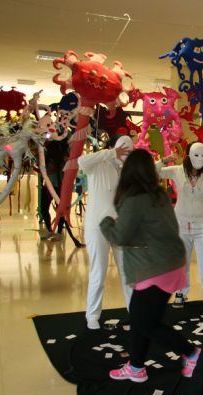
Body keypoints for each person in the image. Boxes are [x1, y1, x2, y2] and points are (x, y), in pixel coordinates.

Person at [99, 149, 200, 383]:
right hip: (170, 263)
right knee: (140, 319)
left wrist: (105, 223)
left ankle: (193, 354)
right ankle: (136, 367)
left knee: (146, 323)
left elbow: (120, 237)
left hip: (156, 268)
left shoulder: (134, 200)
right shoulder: (160, 195)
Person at [158, 142, 203, 307]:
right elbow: (154, 172)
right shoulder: (177, 171)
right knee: (182, 263)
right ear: (188, 156)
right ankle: (181, 293)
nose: (200, 159)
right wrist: (164, 160)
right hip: (181, 225)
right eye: (196, 155)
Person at [78, 135, 134, 329]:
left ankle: (134, 312)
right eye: (123, 151)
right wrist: (111, 153)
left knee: (127, 271)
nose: (125, 155)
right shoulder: (98, 165)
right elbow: (81, 161)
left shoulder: (125, 173)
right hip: (97, 227)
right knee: (98, 270)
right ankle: (92, 315)